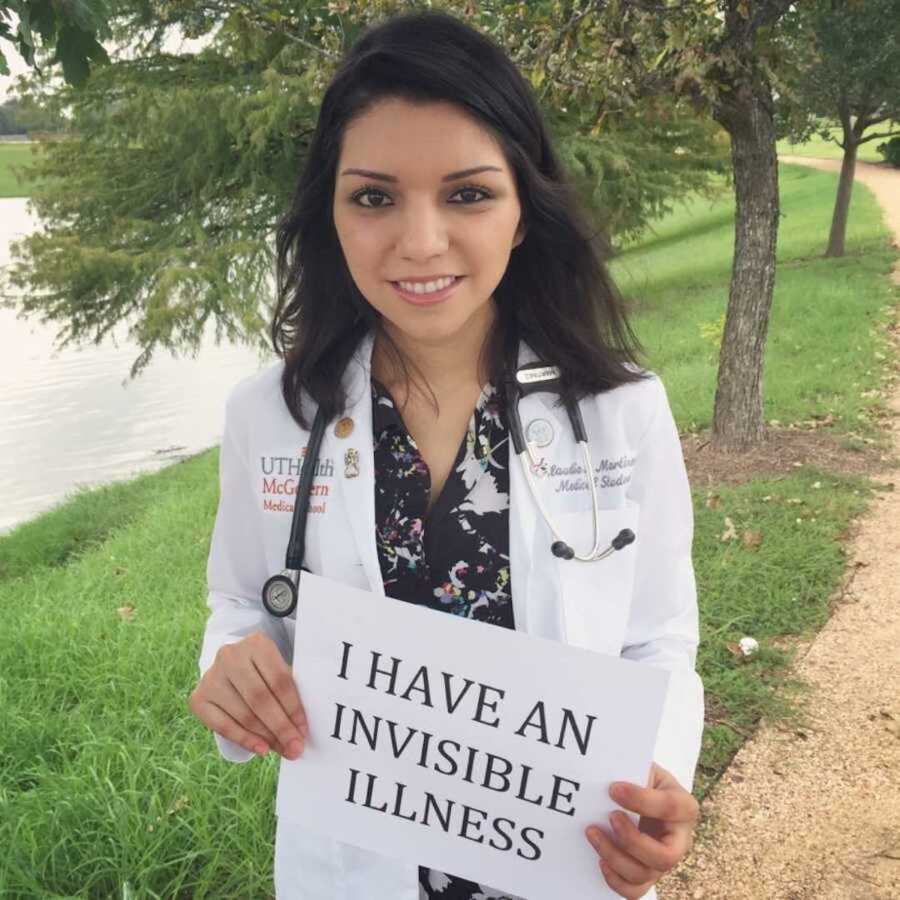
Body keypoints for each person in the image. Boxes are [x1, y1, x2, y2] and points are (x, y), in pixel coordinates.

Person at [188, 9, 704, 900]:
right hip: (349, 873)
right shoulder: (270, 417)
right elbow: (242, 600)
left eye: (467, 193)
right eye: (374, 196)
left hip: (565, 866)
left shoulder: (620, 413)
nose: (420, 243)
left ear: (523, 209)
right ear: (331, 211)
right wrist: (228, 666)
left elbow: (656, 636)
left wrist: (653, 779)